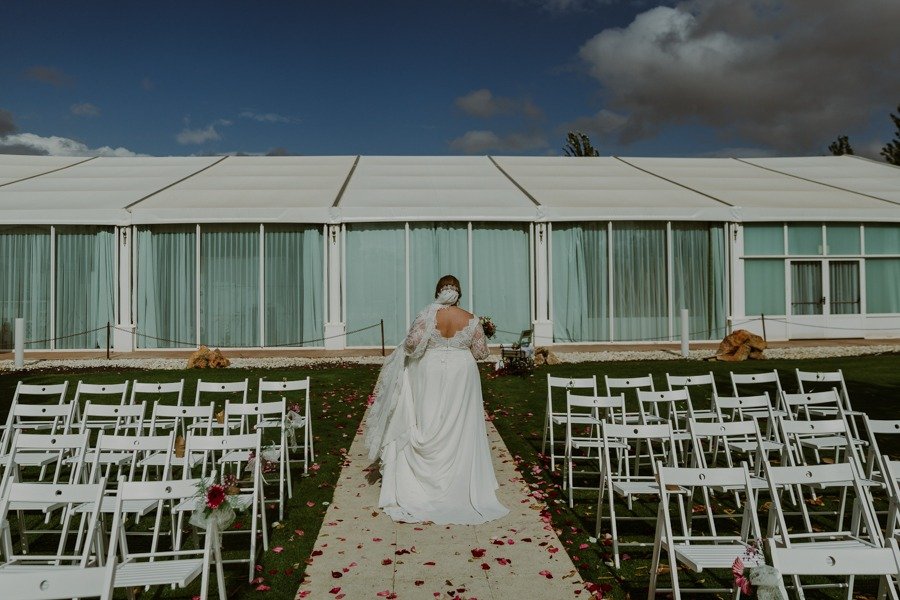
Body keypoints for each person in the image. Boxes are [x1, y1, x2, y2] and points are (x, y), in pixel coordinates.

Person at [365, 275, 509, 524]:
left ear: (438, 292)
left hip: (429, 372)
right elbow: (482, 353)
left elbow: (411, 346)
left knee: (428, 418)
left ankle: (422, 480)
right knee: (459, 425)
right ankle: (458, 480)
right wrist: (484, 333)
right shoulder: (471, 319)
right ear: (459, 294)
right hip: (462, 373)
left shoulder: (427, 315)